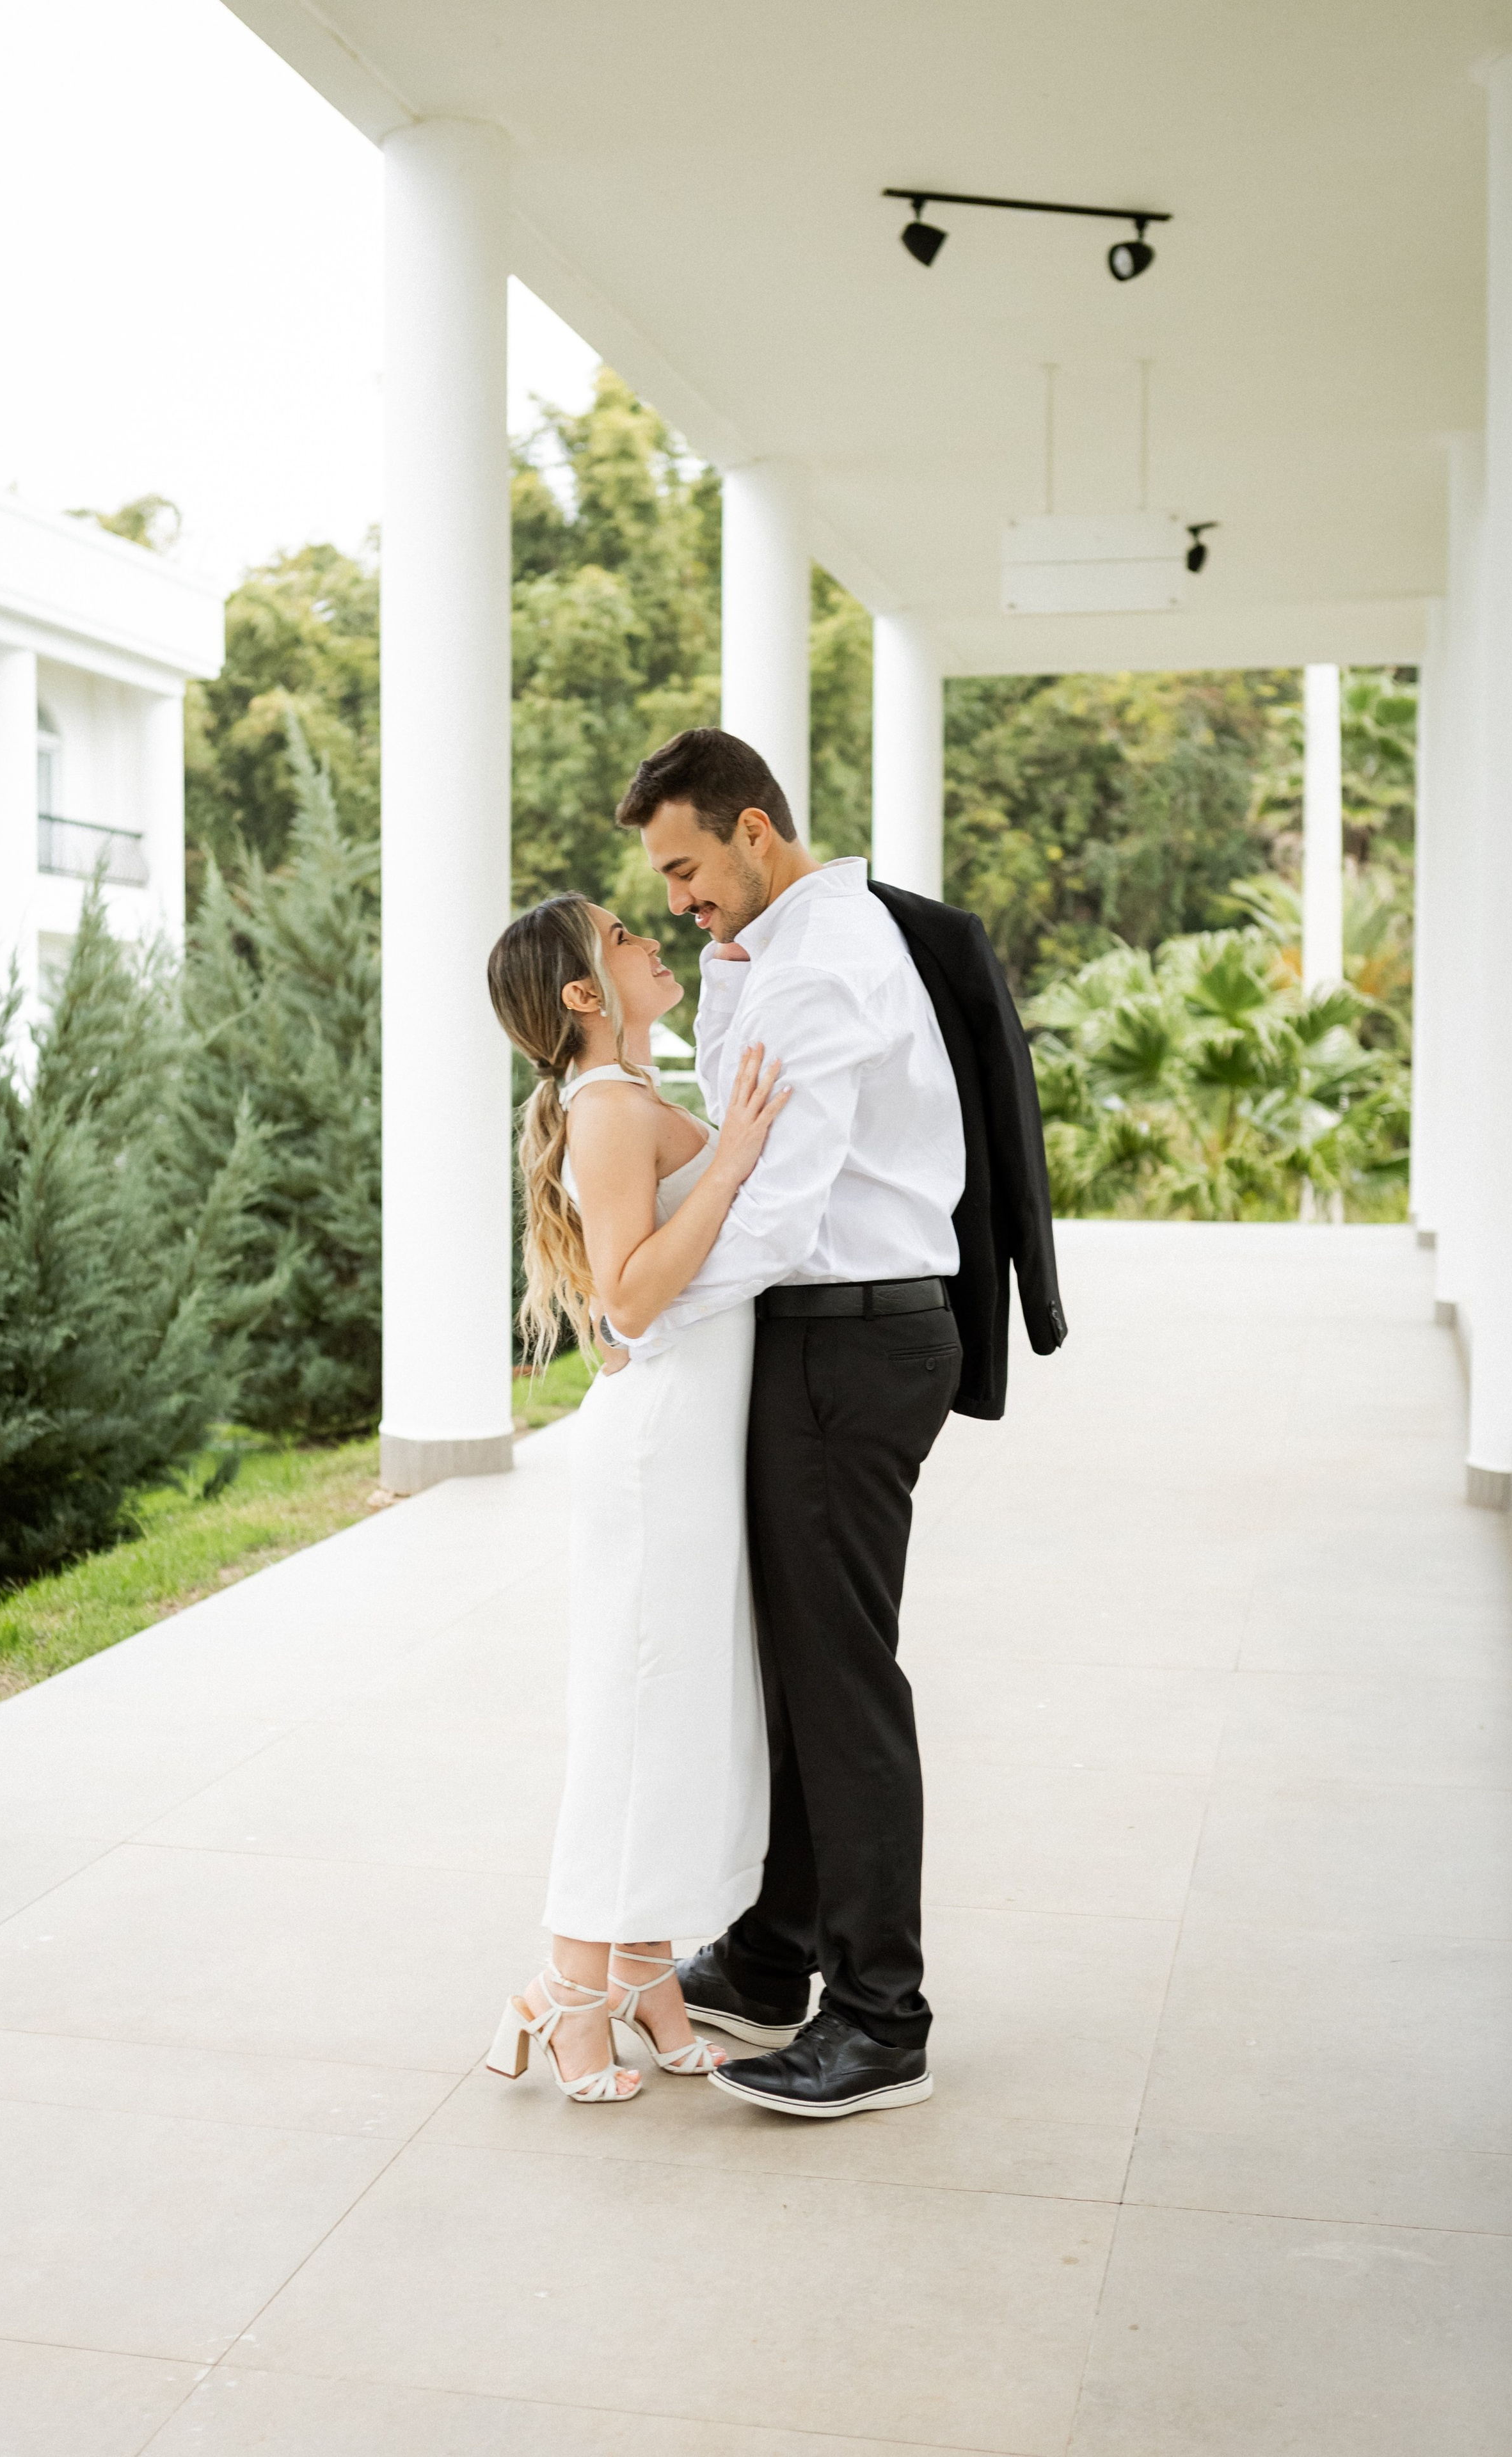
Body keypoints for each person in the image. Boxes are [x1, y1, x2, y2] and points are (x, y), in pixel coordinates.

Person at [614, 727, 1065, 2119]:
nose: (678, 898)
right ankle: (770, 1953)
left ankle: (880, 2019)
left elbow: (779, 1211)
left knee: (841, 1676)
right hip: (827, 1338)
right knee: (803, 1662)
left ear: (756, 831)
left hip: (846, 1341)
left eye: (687, 868)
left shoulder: (817, 964)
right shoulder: (765, 954)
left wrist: (645, 1319)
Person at [482, 891, 789, 2102]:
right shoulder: (609, 1109)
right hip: (658, 1460)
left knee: (682, 1717)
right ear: (580, 997)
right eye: (622, 938)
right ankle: (568, 2004)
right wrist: (739, 1161)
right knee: (634, 1718)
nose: (648, 939)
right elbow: (627, 1301)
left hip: (686, 1447)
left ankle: (651, 1983)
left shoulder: (634, 1101)